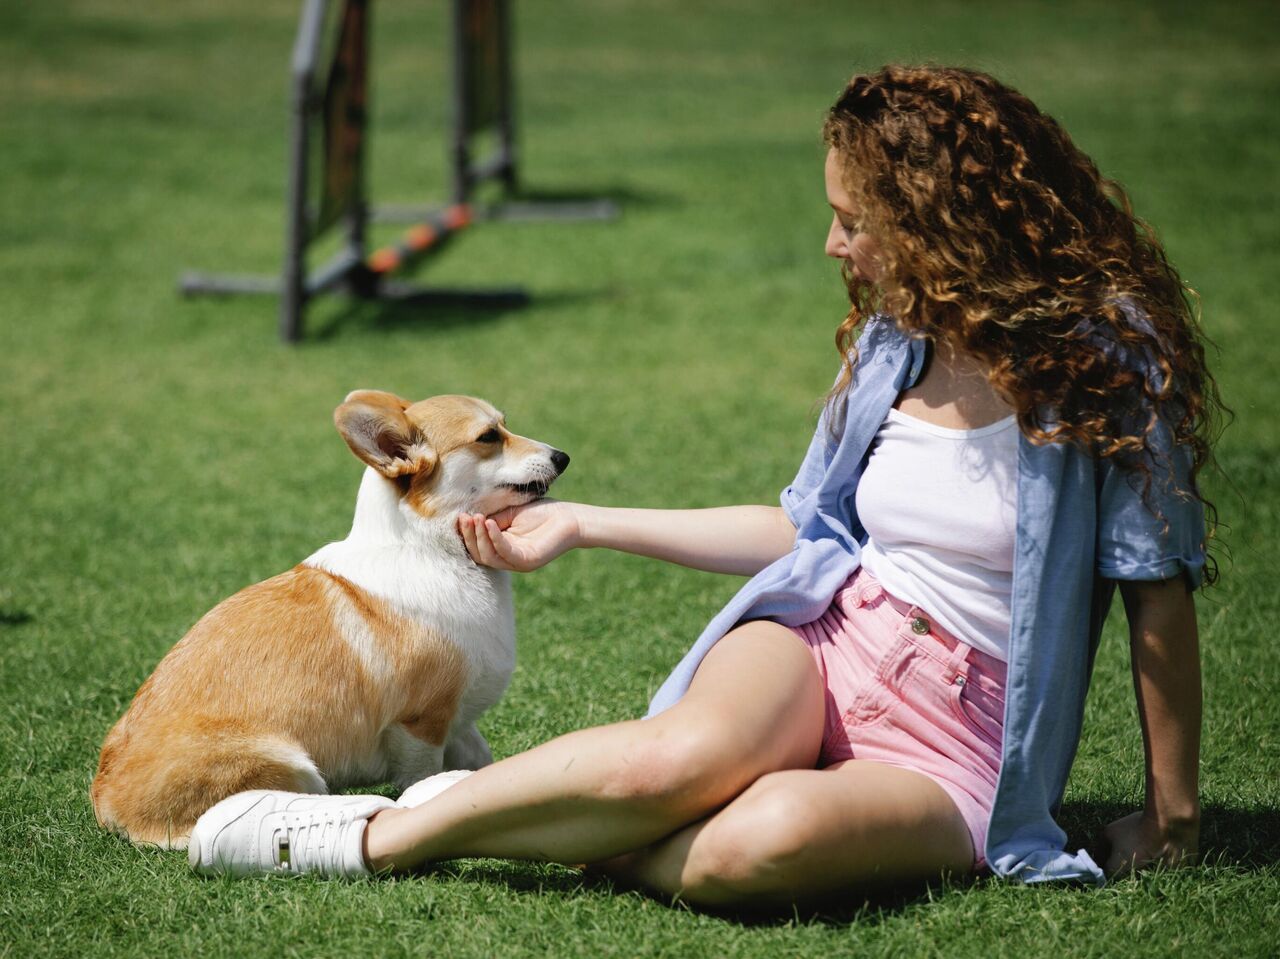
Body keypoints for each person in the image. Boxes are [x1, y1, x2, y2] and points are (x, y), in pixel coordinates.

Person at [187, 65, 1221, 905]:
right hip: (829, 635)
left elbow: (1155, 591)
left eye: (853, 220)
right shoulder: (891, 341)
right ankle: (368, 837)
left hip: (962, 733)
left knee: (749, 845)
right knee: (662, 766)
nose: (833, 244)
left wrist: (1169, 817)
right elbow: (799, 528)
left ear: (935, 217)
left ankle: (546, 823)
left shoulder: (1103, 359)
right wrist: (578, 524)